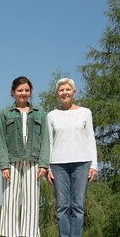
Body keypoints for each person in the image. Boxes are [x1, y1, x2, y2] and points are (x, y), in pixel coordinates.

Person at [0, 76, 50, 237]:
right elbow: (0, 140)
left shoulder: (40, 112)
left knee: (32, 202)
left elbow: (46, 139)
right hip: (12, 161)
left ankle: (30, 234)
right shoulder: (5, 113)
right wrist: (4, 164)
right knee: (10, 201)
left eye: (27, 90)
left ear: (30, 92)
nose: (23, 93)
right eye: (20, 90)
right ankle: (10, 234)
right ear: (13, 92)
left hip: (34, 162)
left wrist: (43, 164)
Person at [46, 78, 97, 237]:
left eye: (68, 89)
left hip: (82, 164)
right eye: (61, 90)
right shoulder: (52, 115)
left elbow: (90, 139)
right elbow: (49, 142)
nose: (64, 92)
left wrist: (94, 165)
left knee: (77, 206)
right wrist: (48, 167)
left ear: (74, 92)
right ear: (57, 94)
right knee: (62, 207)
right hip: (58, 164)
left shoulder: (85, 112)